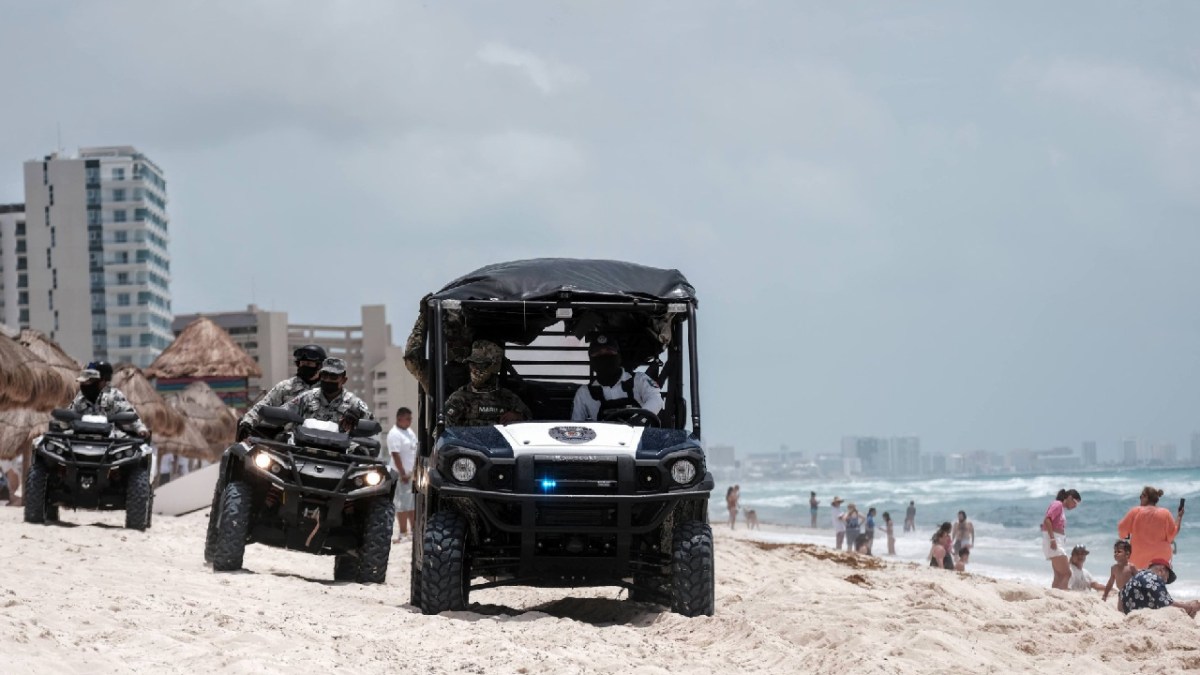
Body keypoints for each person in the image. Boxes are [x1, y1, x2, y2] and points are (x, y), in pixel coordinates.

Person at [238, 344, 326, 440]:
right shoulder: (286, 387)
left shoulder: (328, 390)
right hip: (289, 442)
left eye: (308, 364)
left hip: (321, 442)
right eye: (302, 363)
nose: (304, 366)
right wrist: (247, 423)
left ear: (319, 366)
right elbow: (263, 406)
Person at [570, 334, 664, 422]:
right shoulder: (584, 393)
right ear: (592, 361)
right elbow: (576, 427)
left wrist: (639, 420)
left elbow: (656, 400)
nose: (604, 359)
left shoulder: (639, 380)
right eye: (598, 355)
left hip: (639, 437)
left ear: (618, 357)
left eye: (609, 353)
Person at [444, 340, 531, 427]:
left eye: (482, 365)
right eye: (472, 364)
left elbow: (529, 425)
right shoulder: (459, 399)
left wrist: (518, 416)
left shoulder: (508, 398)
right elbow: (443, 434)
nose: (475, 370)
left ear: (494, 367)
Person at [283, 358, 373, 430]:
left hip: (340, 449)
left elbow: (371, 422)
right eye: (324, 375)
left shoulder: (353, 402)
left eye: (333, 376)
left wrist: (358, 415)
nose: (328, 380)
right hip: (303, 447)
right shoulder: (307, 397)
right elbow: (283, 412)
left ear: (344, 380)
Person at [68, 362, 150, 439]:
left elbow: (129, 413)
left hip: (109, 438)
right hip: (82, 436)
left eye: (88, 382)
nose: (84, 385)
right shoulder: (81, 396)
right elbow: (69, 413)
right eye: (82, 383)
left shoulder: (114, 395)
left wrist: (140, 429)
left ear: (102, 382)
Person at [1117, 485, 1182, 570]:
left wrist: (1126, 535)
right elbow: (1172, 535)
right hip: (1161, 560)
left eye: (1141, 496)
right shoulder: (1165, 513)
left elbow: (1122, 530)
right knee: (1157, 581)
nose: (1140, 498)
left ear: (1147, 497)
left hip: (1138, 561)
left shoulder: (1135, 511)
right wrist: (1179, 516)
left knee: (1138, 581)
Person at [1119, 558, 1200, 616]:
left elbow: (1120, 606)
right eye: (1167, 578)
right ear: (1161, 570)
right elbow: (1166, 604)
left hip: (1131, 616)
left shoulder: (1134, 577)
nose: (1165, 582)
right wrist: (1189, 607)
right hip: (1146, 617)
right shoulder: (1154, 578)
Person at [387, 407, 418, 542]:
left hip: (412, 474)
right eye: (408, 418)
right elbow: (395, 454)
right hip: (401, 475)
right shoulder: (394, 434)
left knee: (412, 503)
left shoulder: (410, 432)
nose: (410, 421)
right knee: (402, 504)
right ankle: (403, 532)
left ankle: (413, 531)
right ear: (400, 418)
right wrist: (403, 473)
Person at [1041, 488, 1082, 590]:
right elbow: (1047, 520)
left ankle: (1054, 595)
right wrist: (1052, 540)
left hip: (1056, 541)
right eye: (1075, 503)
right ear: (1069, 498)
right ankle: (1062, 594)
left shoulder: (1060, 507)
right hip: (1054, 542)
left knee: (1059, 575)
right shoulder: (1057, 504)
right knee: (1067, 574)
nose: (1075, 506)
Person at [1103, 539, 1137, 613]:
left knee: (1133, 609)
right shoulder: (1114, 568)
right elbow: (1110, 583)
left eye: (1119, 552)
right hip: (1121, 592)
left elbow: (1139, 580)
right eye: (1115, 552)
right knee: (1120, 610)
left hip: (1132, 592)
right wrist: (1105, 595)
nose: (1116, 554)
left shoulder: (1131, 567)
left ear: (1127, 554)